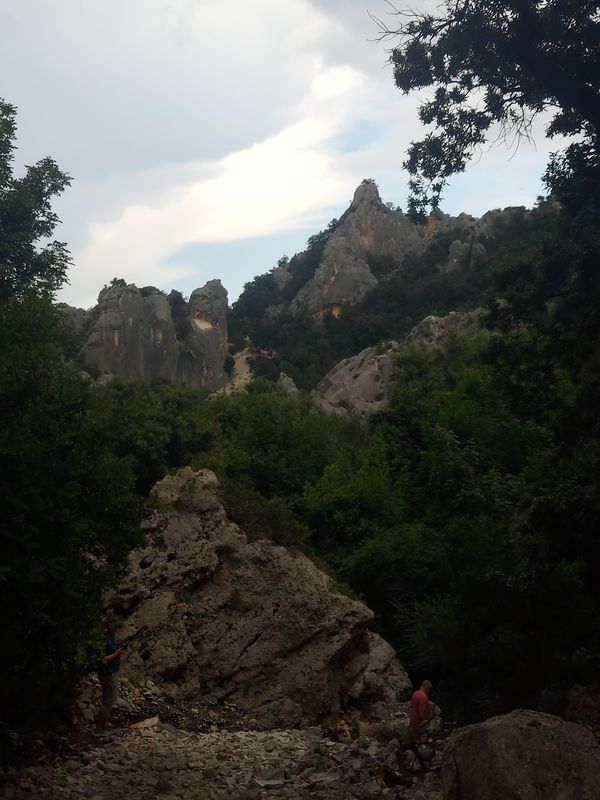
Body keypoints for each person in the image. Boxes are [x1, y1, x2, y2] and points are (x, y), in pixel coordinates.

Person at [96, 617, 123, 731]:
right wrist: (117, 654)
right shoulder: (104, 639)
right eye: (114, 626)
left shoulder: (111, 637)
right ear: (109, 626)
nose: (116, 628)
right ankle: (100, 728)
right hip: (107, 673)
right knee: (108, 701)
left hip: (112, 671)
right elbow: (103, 658)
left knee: (109, 700)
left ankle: (104, 725)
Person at [407, 679, 433, 770]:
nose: (429, 690)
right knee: (423, 744)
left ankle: (412, 763)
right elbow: (421, 710)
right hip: (420, 724)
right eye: (429, 688)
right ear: (425, 686)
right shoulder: (423, 697)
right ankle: (423, 765)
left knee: (414, 744)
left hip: (413, 722)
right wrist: (424, 720)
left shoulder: (415, 694)